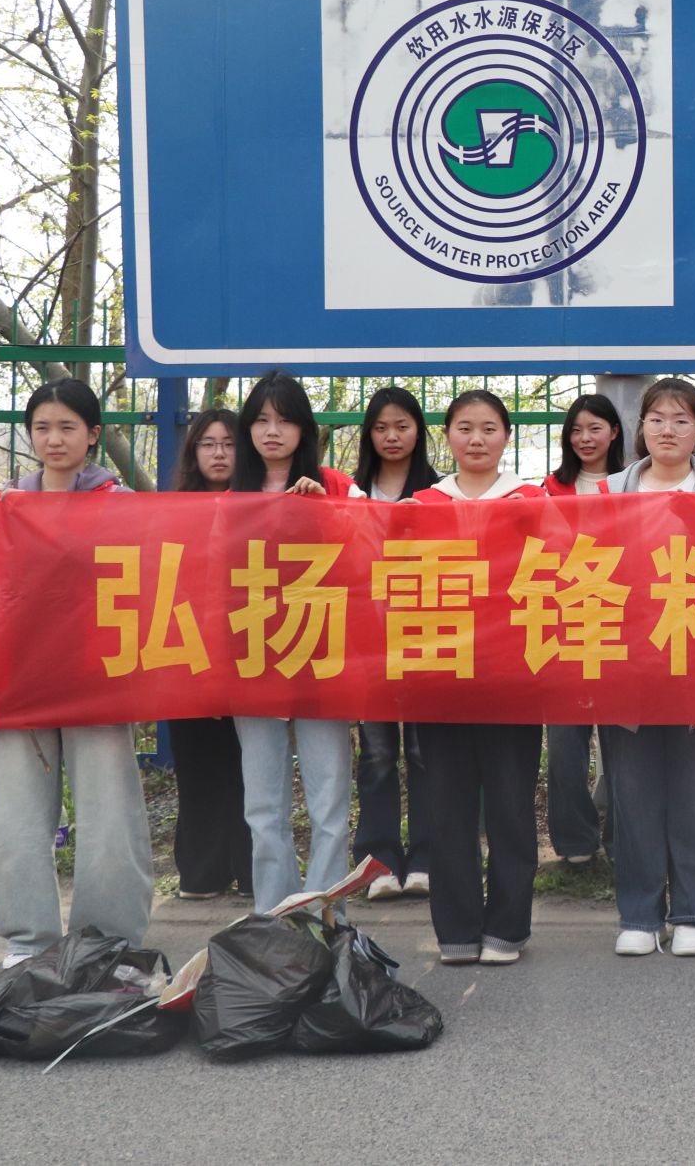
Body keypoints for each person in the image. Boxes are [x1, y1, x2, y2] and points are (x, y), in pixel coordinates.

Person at [0, 379, 155, 968]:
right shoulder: (9, 506)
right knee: (16, 813)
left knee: (110, 813)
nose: (54, 439)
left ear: (93, 435)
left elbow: (148, 588)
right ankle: (28, 940)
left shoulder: (120, 504)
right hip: (19, 680)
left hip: (98, 680)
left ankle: (109, 939)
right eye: (42, 427)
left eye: (68, 427)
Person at [409, 390, 547, 964]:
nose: (477, 439)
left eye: (489, 428)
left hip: (513, 678)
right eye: (464, 427)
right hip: (440, 677)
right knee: (447, 809)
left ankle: (508, 929)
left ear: (506, 438)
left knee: (512, 806)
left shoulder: (533, 500)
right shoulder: (420, 505)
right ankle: (457, 931)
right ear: (447, 436)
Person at [596, 379, 695, 956]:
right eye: (657, 419)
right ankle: (639, 914)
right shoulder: (606, 492)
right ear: (641, 427)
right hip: (626, 663)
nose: (668, 430)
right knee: (633, 791)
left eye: (681, 420)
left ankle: (694, 912)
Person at [230, 372, 359, 912]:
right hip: (254, 658)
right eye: (261, 420)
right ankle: (272, 916)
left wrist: (326, 512)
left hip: (322, 655)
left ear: (305, 428)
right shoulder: (230, 496)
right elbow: (208, 575)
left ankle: (324, 916)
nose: (272, 431)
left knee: (330, 802)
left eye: (284, 420)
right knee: (263, 808)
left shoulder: (338, 486)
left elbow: (371, 555)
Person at [349, 386, 440, 902]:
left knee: (426, 752)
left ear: (418, 432)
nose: (391, 436)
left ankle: (427, 856)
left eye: (402, 426)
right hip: (368, 641)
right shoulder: (349, 493)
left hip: (428, 637)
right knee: (378, 754)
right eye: (381, 427)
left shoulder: (439, 491)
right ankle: (378, 861)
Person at [168, 408, 253, 901]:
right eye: (208, 444)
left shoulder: (262, 504)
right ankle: (202, 874)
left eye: (229, 443)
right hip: (188, 650)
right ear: (193, 452)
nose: (219, 453)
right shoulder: (171, 510)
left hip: (251, 647)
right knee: (197, 765)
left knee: (250, 769)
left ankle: (252, 872)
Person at [542, 393, 627, 867]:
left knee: (621, 742)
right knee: (564, 743)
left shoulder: (634, 482)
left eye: (595, 428)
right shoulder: (548, 488)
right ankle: (575, 841)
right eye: (576, 430)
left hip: (621, 622)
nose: (584, 438)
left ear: (614, 432)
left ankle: (621, 836)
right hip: (563, 624)